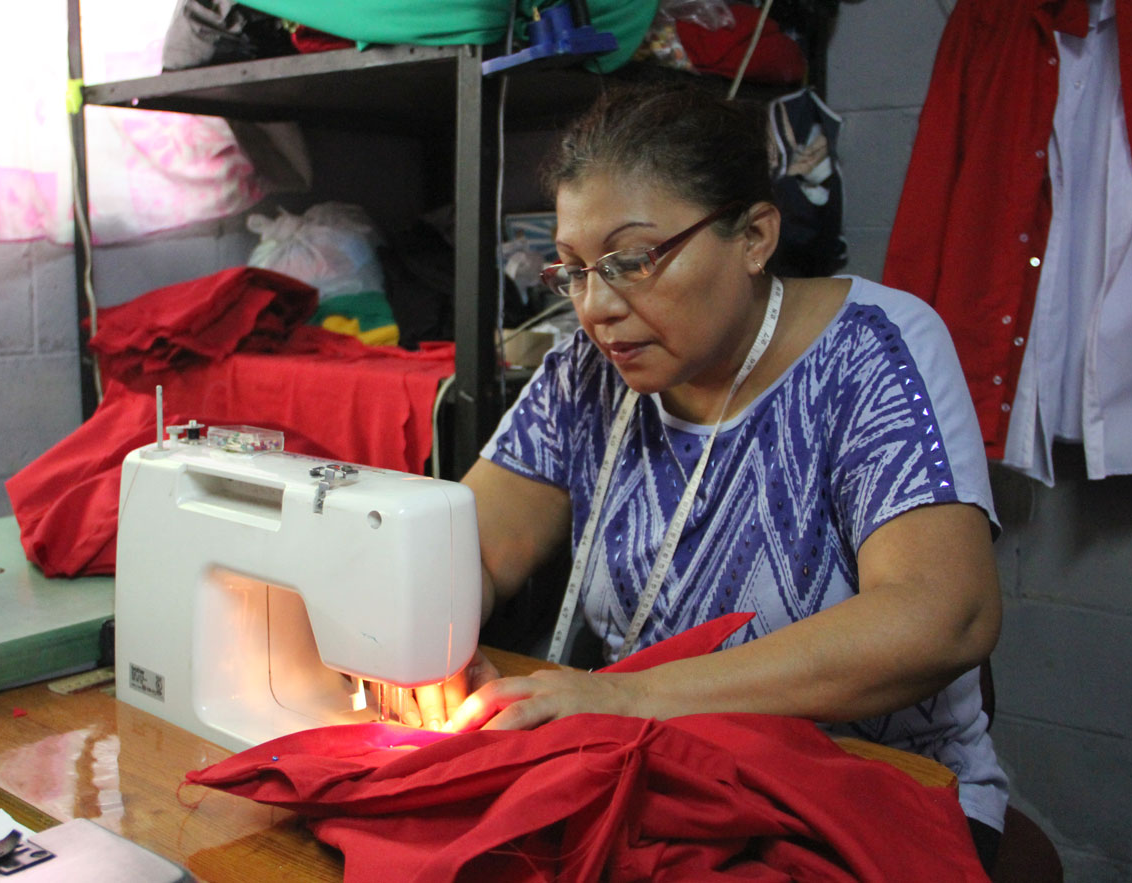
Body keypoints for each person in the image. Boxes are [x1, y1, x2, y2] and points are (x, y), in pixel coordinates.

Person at [417, 82, 1007, 869]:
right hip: (666, 777)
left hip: (868, 794)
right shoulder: (583, 373)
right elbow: (476, 547)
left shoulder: (875, 351)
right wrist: (426, 641)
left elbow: (944, 615)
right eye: (572, 270)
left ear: (755, 235)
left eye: (630, 261)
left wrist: (623, 697)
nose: (595, 306)